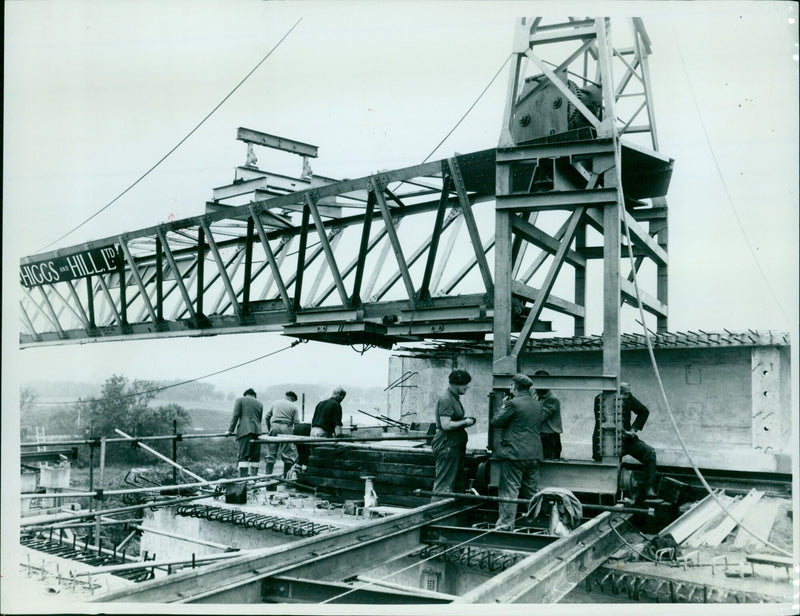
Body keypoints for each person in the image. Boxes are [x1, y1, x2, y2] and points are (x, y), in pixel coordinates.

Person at [491, 373, 551, 530]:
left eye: (512, 386)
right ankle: (538, 522)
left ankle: (505, 526)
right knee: (531, 490)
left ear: (515, 387)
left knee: (509, 490)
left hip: (514, 454)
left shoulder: (513, 404)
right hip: (534, 453)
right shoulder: (538, 404)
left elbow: (496, 422)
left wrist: (504, 405)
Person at [592, 382, 658, 498]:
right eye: (626, 394)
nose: (628, 396)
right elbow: (605, 421)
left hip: (626, 440)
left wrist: (633, 430)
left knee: (650, 453)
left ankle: (649, 488)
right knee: (609, 467)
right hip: (605, 442)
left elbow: (643, 411)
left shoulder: (628, 397)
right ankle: (611, 495)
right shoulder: (600, 399)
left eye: (628, 394)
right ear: (618, 392)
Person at [431, 370, 476, 500]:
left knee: (454, 482)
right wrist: (465, 422)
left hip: (454, 445)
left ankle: (449, 514)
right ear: (456, 384)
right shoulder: (446, 399)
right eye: (465, 384)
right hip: (447, 445)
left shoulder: (454, 398)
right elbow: (446, 425)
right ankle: (436, 513)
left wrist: (464, 420)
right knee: (444, 484)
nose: (467, 386)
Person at [226, 388, 263, 477]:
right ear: (254, 395)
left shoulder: (240, 400)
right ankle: (253, 480)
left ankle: (243, 481)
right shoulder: (259, 403)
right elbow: (259, 419)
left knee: (243, 456)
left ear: (245, 394)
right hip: (257, 432)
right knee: (255, 457)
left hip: (245, 431)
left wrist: (230, 430)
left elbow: (235, 416)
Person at [264, 391, 299, 476]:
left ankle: (268, 478)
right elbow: (296, 422)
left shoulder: (275, 403)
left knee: (271, 455)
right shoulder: (294, 406)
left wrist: (270, 429)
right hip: (286, 428)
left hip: (274, 427)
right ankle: (286, 478)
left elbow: (267, 417)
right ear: (293, 398)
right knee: (287, 454)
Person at [534, 370, 563, 460]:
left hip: (549, 437)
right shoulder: (536, 393)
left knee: (548, 463)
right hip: (540, 435)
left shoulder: (551, 399)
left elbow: (539, 418)